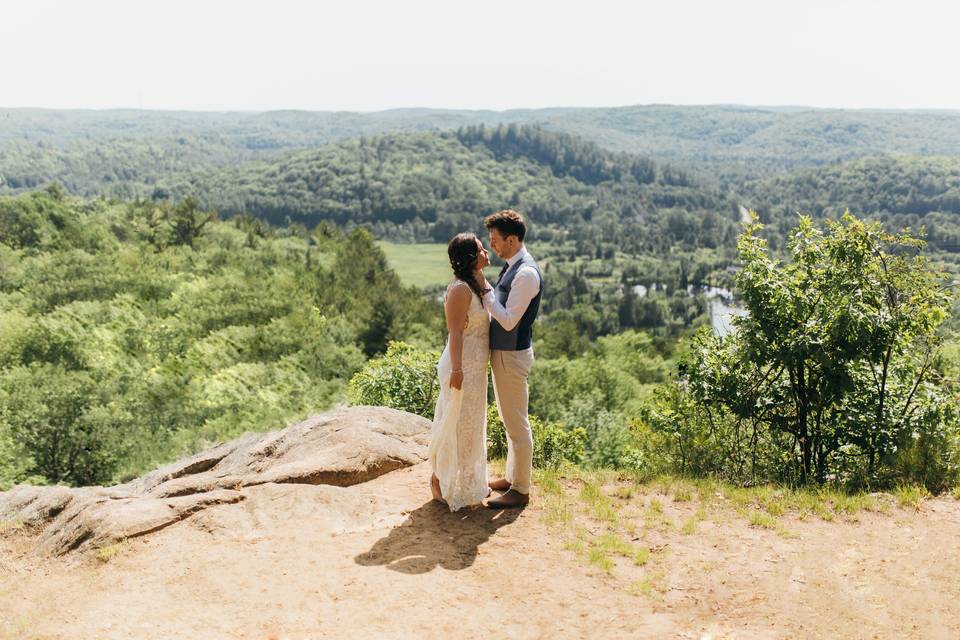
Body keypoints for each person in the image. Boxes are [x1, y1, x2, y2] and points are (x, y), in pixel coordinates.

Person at [480, 210, 543, 509]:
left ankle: (521, 489)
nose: (492, 245)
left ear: (513, 239)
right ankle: (511, 478)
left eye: (495, 240)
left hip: (512, 354)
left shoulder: (526, 274)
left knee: (517, 424)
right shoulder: (513, 267)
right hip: (505, 354)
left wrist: (485, 291)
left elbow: (508, 321)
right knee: (509, 421)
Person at [428, 233, 492, 511]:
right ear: (470, 257)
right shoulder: (460, 290)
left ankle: (468, 482)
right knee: (455, 424)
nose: (486, 250)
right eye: (480, 249)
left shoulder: (477, 283)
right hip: (461, 366)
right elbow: (454, 332)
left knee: (472, 427)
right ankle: (439, 482)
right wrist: (456, 370)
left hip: (476, 368)